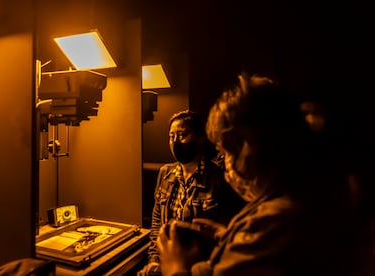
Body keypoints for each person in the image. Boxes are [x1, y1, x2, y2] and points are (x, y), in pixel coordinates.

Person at [156, 73, 360, 275]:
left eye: (226, 152)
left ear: (247, 146)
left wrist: (175, 269)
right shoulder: (301, 193)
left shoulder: (275, 222)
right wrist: (229, 241)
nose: (226, 163)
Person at [138, 110, 245, 276]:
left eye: (182, 135)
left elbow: (226, 231)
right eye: (171, 136)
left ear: (200, 138)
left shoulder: (219, 177)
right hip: (168, 265)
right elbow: (157, 220)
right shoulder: (165, 173)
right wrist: (154, 260)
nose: (175, 141)